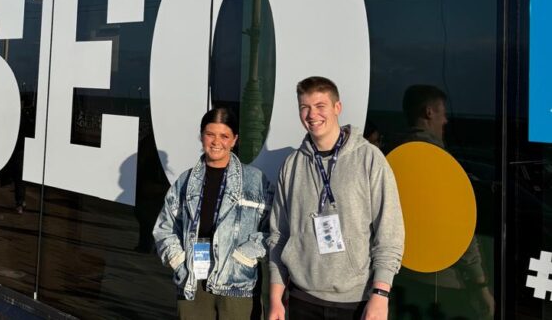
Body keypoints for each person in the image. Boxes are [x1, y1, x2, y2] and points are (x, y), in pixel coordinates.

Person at [268, 76, 404, 320]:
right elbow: (279, 234)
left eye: (320, 106)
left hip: (356, 300)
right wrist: (275, 299)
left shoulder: (369, 159)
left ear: (337, 108)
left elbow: (390, 234)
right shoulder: (292, 166)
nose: (312, 115)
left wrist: (380, 295)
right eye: (304, 108)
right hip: (301, 297)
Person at [153, 107, 269, 319]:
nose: (216, 142)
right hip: (193, 281)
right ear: (201, 137)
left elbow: (272, 229)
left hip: (236, 285)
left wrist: (243, 257)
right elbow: (164, 227)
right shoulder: (186, 181)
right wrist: (178, 260)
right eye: (210, 134)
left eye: (224, 136)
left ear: (234, 140)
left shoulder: (255, 181)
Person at [393, 84, 494, 319]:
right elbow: (459, 229)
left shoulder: (393, 154)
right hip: (444, 281)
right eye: (443, 113)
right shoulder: (436, 161)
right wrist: (479, 284)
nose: (446, 120)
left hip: (403, 275)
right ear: (429, 112)